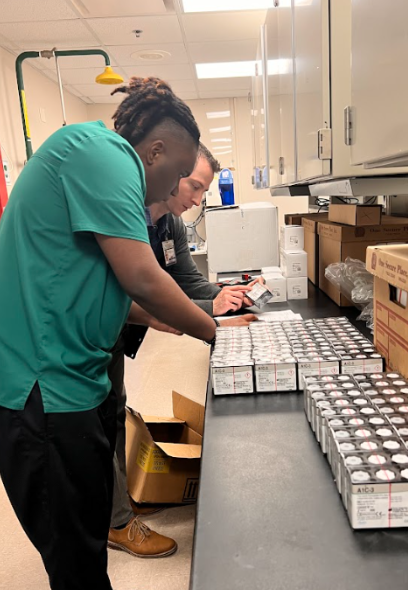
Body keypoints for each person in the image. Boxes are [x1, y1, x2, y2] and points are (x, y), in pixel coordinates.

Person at [0, 76, 222, 590]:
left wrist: (160, 316)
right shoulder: (101, 152)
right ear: (156, 150)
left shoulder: (103, 167)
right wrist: (215, 333)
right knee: (76, 562)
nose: (177, 188)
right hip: (44, 393)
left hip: (76, 385)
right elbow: (143, 276)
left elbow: (102, 290)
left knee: (89, 539)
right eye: (181, 172)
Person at [107, 142, 260, 558]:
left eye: (204, 191)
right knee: (99, 423)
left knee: (113, 416)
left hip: (117, 334)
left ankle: (118, 503)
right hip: (90, 334)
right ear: (170, 172)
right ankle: (117, 522)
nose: (197, 199)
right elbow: (143, 293)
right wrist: (212, 320)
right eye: (194, 186)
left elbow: (185, 281)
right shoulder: (126, 216)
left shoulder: (169, 224)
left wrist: (222, 294)